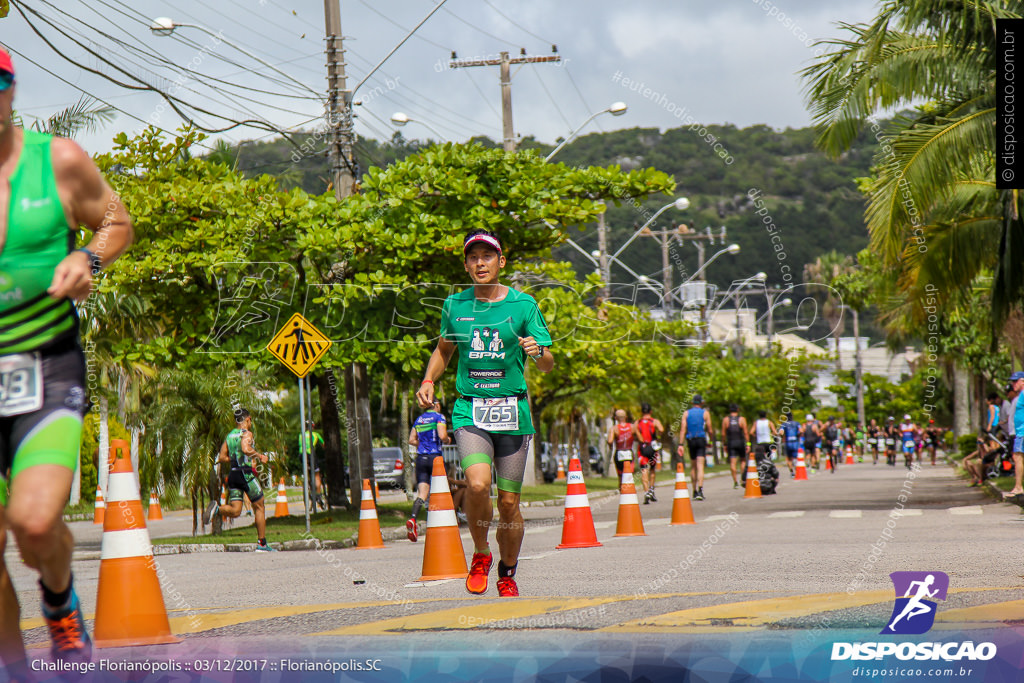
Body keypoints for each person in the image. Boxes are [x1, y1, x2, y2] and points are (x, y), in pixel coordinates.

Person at [0, 46, 134, 674]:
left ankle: (59, 602)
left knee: (32, 524)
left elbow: (116, 221)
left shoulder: (55, 161)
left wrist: (90, 258)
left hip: (44, 367)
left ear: (11, 90)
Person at [415, 229, 553, 598]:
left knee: (508, 504)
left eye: (487, 256)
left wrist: (537, 351)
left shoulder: (524, 306)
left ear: (500, 262)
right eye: (473, 257)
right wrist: (429, 378)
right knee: (476, 484)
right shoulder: (454, 305)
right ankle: (480, 553)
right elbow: (444, 350)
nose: (480, 263)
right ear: (466, 264)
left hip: (513, 412)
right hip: (470, 410)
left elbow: (548, 364)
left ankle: (507, 572)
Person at [206, 409, 275, 551]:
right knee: (260, 506)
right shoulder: (247, 434)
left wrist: (235, 458)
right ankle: (262, 544)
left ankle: (217, 509)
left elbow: (222, 457)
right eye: (250, 421)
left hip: (233, 475)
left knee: (236, 511)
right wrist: (259, 456)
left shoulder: (229, 436)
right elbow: (245, 448)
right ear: (248, 419)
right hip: (246, 475)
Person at [406, 400, 449, 541]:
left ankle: (413, 518)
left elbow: (411, 440)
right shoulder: (439, 417)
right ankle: (445, 522)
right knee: (442, 490)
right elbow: (442, 436)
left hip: (421, 458)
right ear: (436, 405)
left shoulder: (419, 419)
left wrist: (422, 444)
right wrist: (448, 439)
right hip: (435, 458)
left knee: (422, 493)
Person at [679, 394, 712, 501]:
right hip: (701, 439)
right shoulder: (705, 413)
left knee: (693, 467)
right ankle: (700, 489)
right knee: (700, 465)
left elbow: (683, 429)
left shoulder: (686, 413)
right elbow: (710, 429)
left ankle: (694, 490)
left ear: (693, 403)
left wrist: (680, 444)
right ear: (701, 403)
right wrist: (710, 440)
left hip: (691, 440)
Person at [633, 402, 665, 503]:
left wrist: (639, 437)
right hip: (652, 447)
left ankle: (646, 492)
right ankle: (651, 489)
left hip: (642, 448)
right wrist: (658, 436)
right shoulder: (654, 421)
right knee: (652, 470)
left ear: (641, 411)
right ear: (650, 411)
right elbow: (661, 429)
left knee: (644, 470)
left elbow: (633, 432)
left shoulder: (637, 422)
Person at [1004, 372, 1024, 498]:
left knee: (1018, 457)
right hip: (1020, 432)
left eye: (1015, 381)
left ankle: (1018, 487)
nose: (1013, 385)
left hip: (1023, 432)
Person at [299, 423, 325, 511]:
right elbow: (324, 445)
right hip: (311, 455)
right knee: (317, 475)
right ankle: (318, 495)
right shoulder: (315, 434)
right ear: (313, 427)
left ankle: (308, 484)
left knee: (307, 472)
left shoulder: (301, 435)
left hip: (302, 455)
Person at [721, 404, 749, 488]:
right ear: (738, 410)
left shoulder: (726, 420)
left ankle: (735, 481)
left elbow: (723, 434)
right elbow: (745, 432)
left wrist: (724, 444)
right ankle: (742, 479)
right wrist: (748, 444)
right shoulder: (742, 419)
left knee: (733, 462)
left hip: (731, 442)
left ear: (730, 410)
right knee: (743, 460)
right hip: (740, 442)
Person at [606, 409, 635, 479]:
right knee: (629, 474)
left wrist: (610, 446)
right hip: (629, 450)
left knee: (620, 476)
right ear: (626, 417)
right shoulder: (632, 427)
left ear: (616, 418)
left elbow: (610, 441)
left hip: (619, 451)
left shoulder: (614, 429)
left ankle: (621, 489)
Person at [778, 412, 802, 478]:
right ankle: (795, 466)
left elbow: (781, 432)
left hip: (788, 442)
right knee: (796, 457)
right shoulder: (797, 423)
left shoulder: (784, 424)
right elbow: (801, 431)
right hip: (795, 442)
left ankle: (792, 472)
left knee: (788, 459)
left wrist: (782, 437)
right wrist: (798, 436)